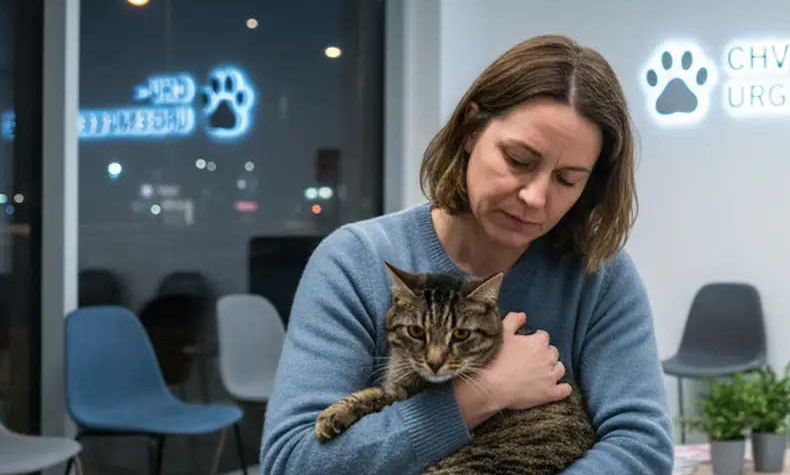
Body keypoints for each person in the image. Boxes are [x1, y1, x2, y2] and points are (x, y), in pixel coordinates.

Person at [259, 34, 675, 474]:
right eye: (518, 159)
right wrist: (478, 397)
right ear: (472, 129)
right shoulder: (354, 261)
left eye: (567, 180)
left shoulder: (598, 274)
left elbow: (641, 446)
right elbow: (292, 462)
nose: (535, 197)